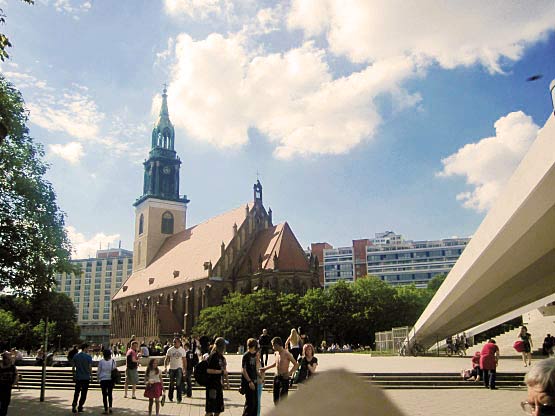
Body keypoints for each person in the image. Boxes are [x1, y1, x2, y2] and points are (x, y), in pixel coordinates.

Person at [260, 336, 299, 405]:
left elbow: (296, 364)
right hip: (277, 377)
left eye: (273, 345)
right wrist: (265, 368)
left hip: (284, 377)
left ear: (277, 345)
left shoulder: (286, 353)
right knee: (276, 399)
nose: (272, 347)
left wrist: (289, 373)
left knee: (283, 399)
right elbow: (276, 364)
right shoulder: (276, 353)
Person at [206, 337, 229, 416]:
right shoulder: (213, 356)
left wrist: (226, 383)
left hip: (218, 385)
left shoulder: (221, 357)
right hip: (212, 385)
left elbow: (225, 371)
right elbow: (208, 370)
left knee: (218, 409)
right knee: (210, 410)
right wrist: (221, 372)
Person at [71, 343, 93, 414]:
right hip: (86, 377)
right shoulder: (88, 357)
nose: (88, 349)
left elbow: (73, 367)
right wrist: (91, 376)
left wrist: (73, 375)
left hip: (78, 377)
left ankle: (74, 405)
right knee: (84, 393)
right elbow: (90, 368)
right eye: (88, 348)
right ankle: (80, 406)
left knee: (76, 392)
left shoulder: (76, 356)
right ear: (85, 348)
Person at [164, 337, 186, 403]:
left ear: (179, 343)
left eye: (175, 342)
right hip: (172, 368)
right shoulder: (170, 350)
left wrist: (184, 369)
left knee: (178, 384)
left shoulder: (182, 350)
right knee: (171, 383)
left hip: (179, 368)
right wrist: (165, 367)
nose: (174, 343)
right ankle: (170, 397)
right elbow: (166, 359)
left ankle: (179, 398)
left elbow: (184, 360)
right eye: (173, 342)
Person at [241, 338, 260, 416]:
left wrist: (260, 377)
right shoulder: (246, 355)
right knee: (250, 404)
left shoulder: (255, 355)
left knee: (255, 404)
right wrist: (249, 381)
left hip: (254, 381)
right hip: (249, 383)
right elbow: (243, 370)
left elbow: (255, 369)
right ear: (254, 346)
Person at [97, 349, 115, 414]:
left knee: (104, 395)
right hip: (110, 379)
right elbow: (114, 370)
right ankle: (110, 407)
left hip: (103, 380)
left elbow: (99, 371)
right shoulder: (113, 361)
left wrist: (98, 378)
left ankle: (105, 409)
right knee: (110, 394)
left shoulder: (101, 361)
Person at [0, 351, 17, 416]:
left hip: (7, 387)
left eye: (9, 358)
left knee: (5, 403)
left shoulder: (12, 367)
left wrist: (14, 382)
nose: (9, 360)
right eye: (7, 358)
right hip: (0, 386)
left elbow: (15, 375)